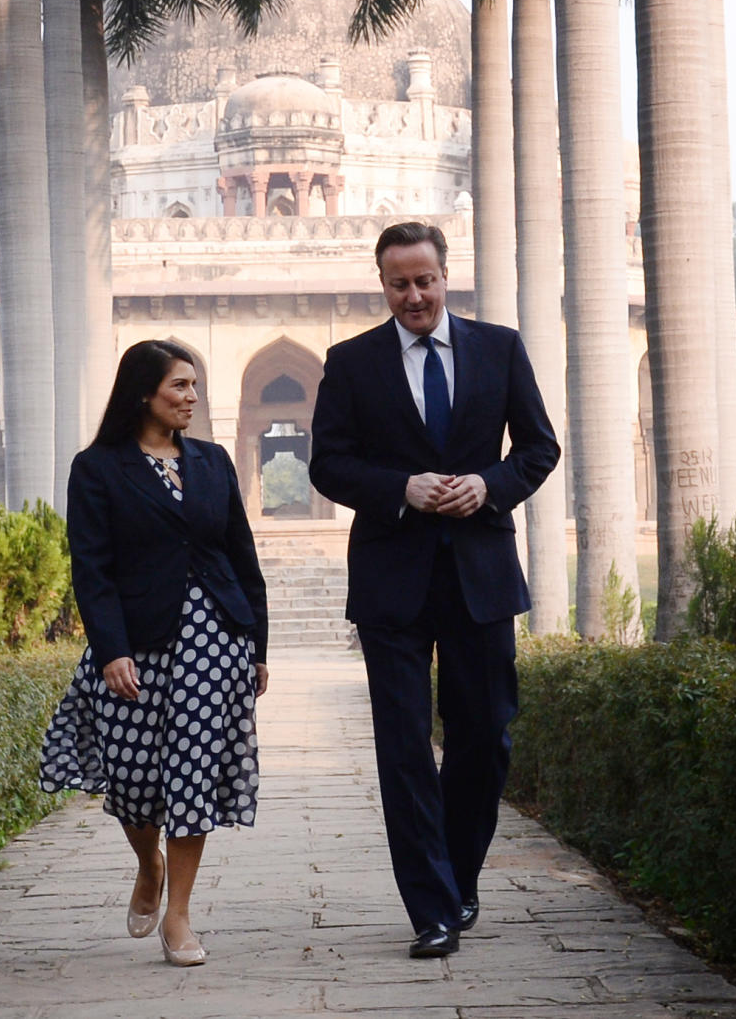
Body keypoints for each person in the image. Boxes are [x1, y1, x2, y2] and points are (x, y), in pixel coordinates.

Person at [309, 222, 559, 959]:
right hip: (393, 581)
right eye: (398, 284)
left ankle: (458, 873)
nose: (414, 296)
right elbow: (329, 465)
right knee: (404, 746)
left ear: (446, 277)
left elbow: (539, 448)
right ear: (381, 285)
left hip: (479, 574)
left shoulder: (499, 349)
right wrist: (401, 489)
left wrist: (488, 486)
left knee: (485, 737)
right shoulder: (351, 363)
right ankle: (432, 909)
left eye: (425, 280)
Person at [40, 340, 268, 967]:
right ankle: (149, 863)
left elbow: (241, 558)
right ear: (144, 393)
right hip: (136, 642)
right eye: (179, 387)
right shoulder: (97, 467)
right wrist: (110, 649)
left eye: (195, 386)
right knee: (134, 780)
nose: (192, 397)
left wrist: (258, 647)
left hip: (215, 639)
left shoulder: (213, 462)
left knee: (192, 772)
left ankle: (181, 916)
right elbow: (92, 568)